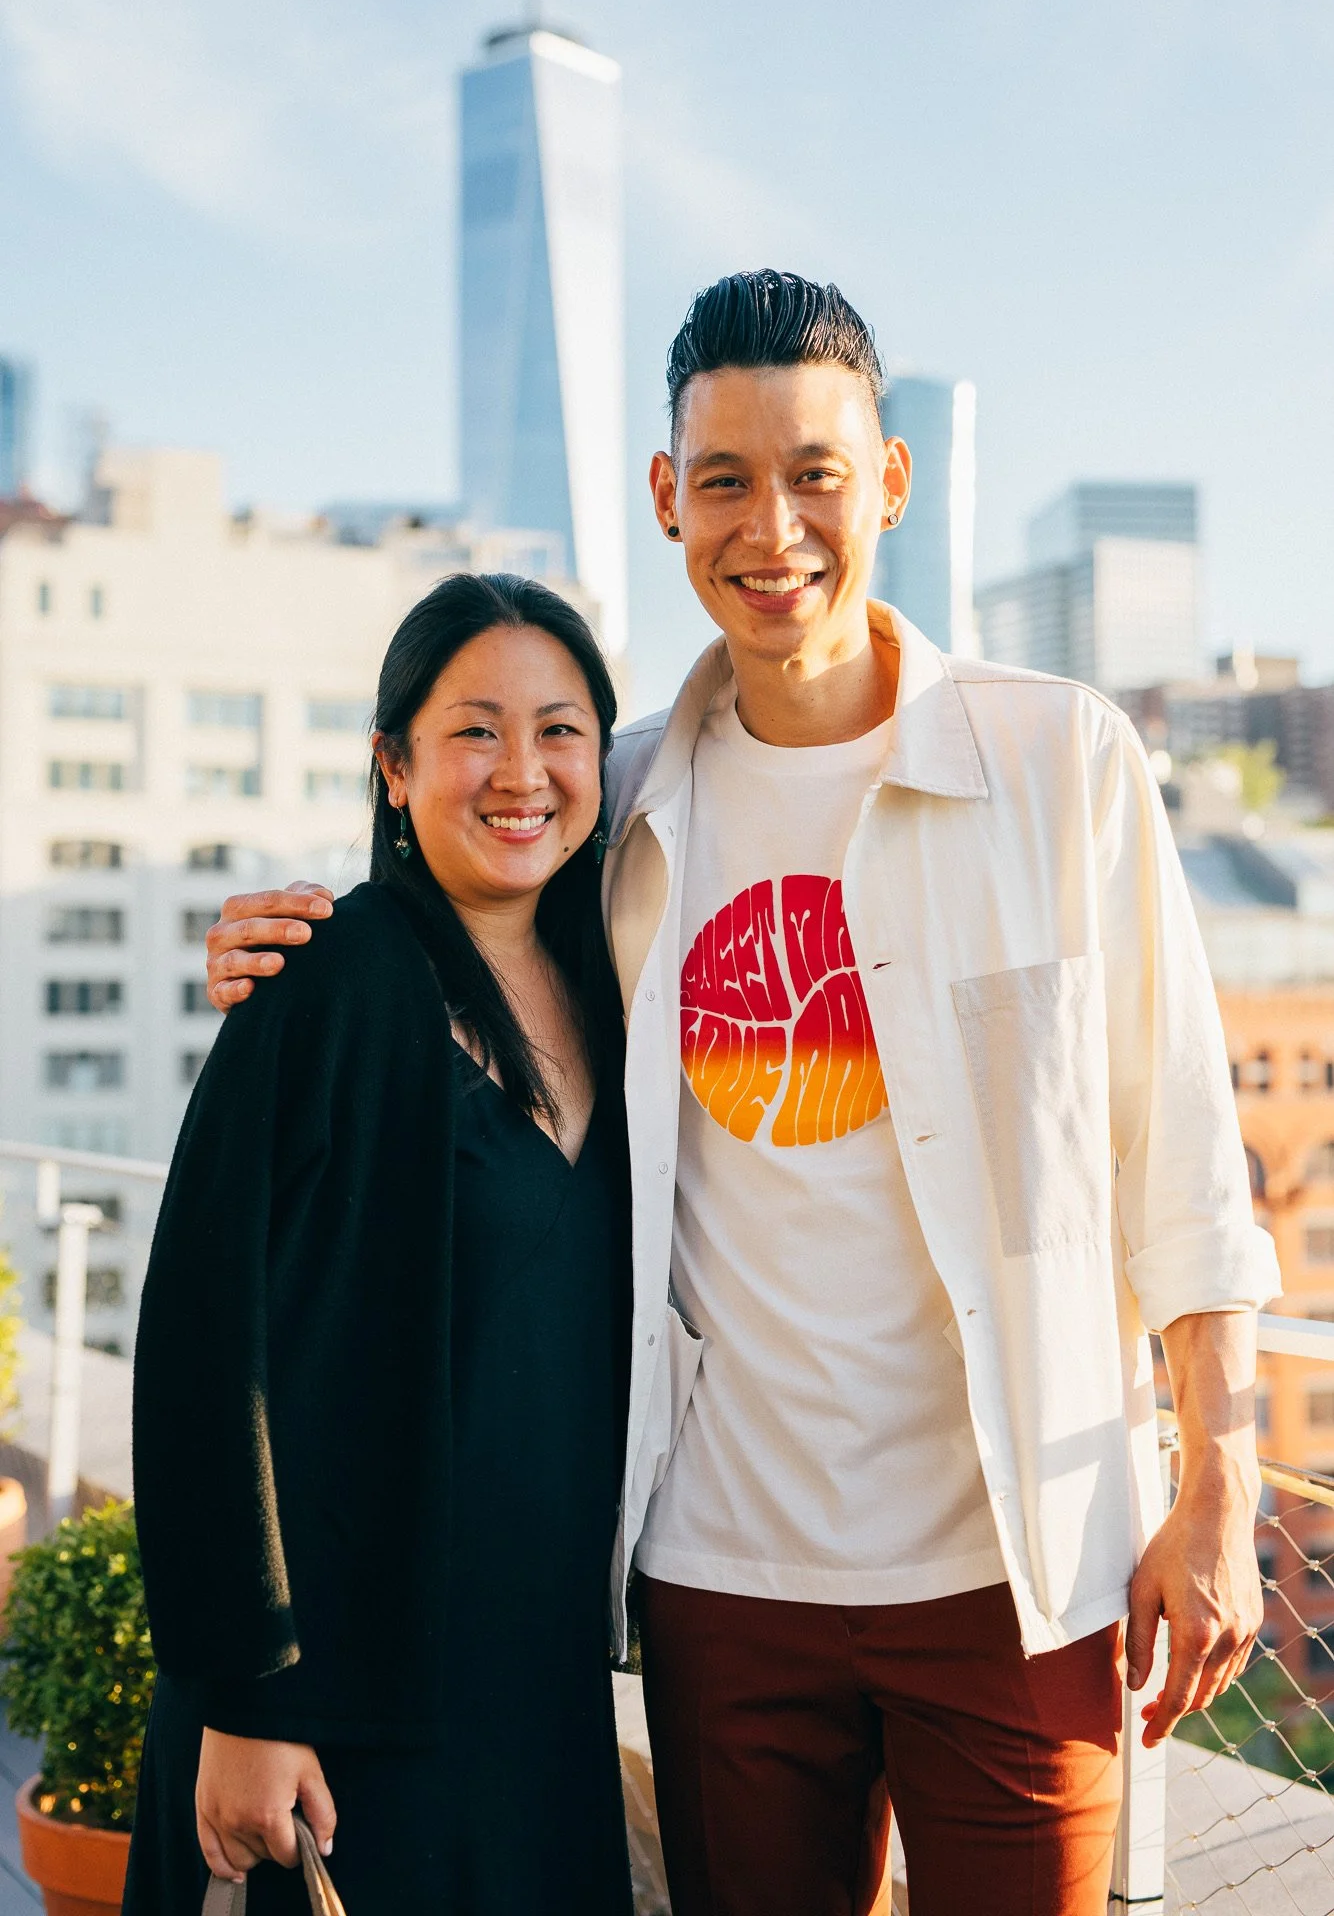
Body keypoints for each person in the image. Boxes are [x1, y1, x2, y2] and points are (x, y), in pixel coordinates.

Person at [206, 272, 1281, 1916]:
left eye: (814, 474)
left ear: (891, 483)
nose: (769, 528)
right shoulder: (618, 794)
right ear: (666, 500)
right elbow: (462, 896)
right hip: (722, 1575)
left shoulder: (1061, 764)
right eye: (723, 480)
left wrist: (1218, 1479)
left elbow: (1184, 1159)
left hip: (1014, 1572)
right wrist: (297, 940)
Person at [126, 574, 634, 1915]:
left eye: (559, 730)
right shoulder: (330, 980)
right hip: (335, 1705)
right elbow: (199, 1352)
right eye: (473, 729)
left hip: (533, 1689)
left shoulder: (623, 982)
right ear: (392, 764)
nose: (519, 772)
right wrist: (247, 1697)